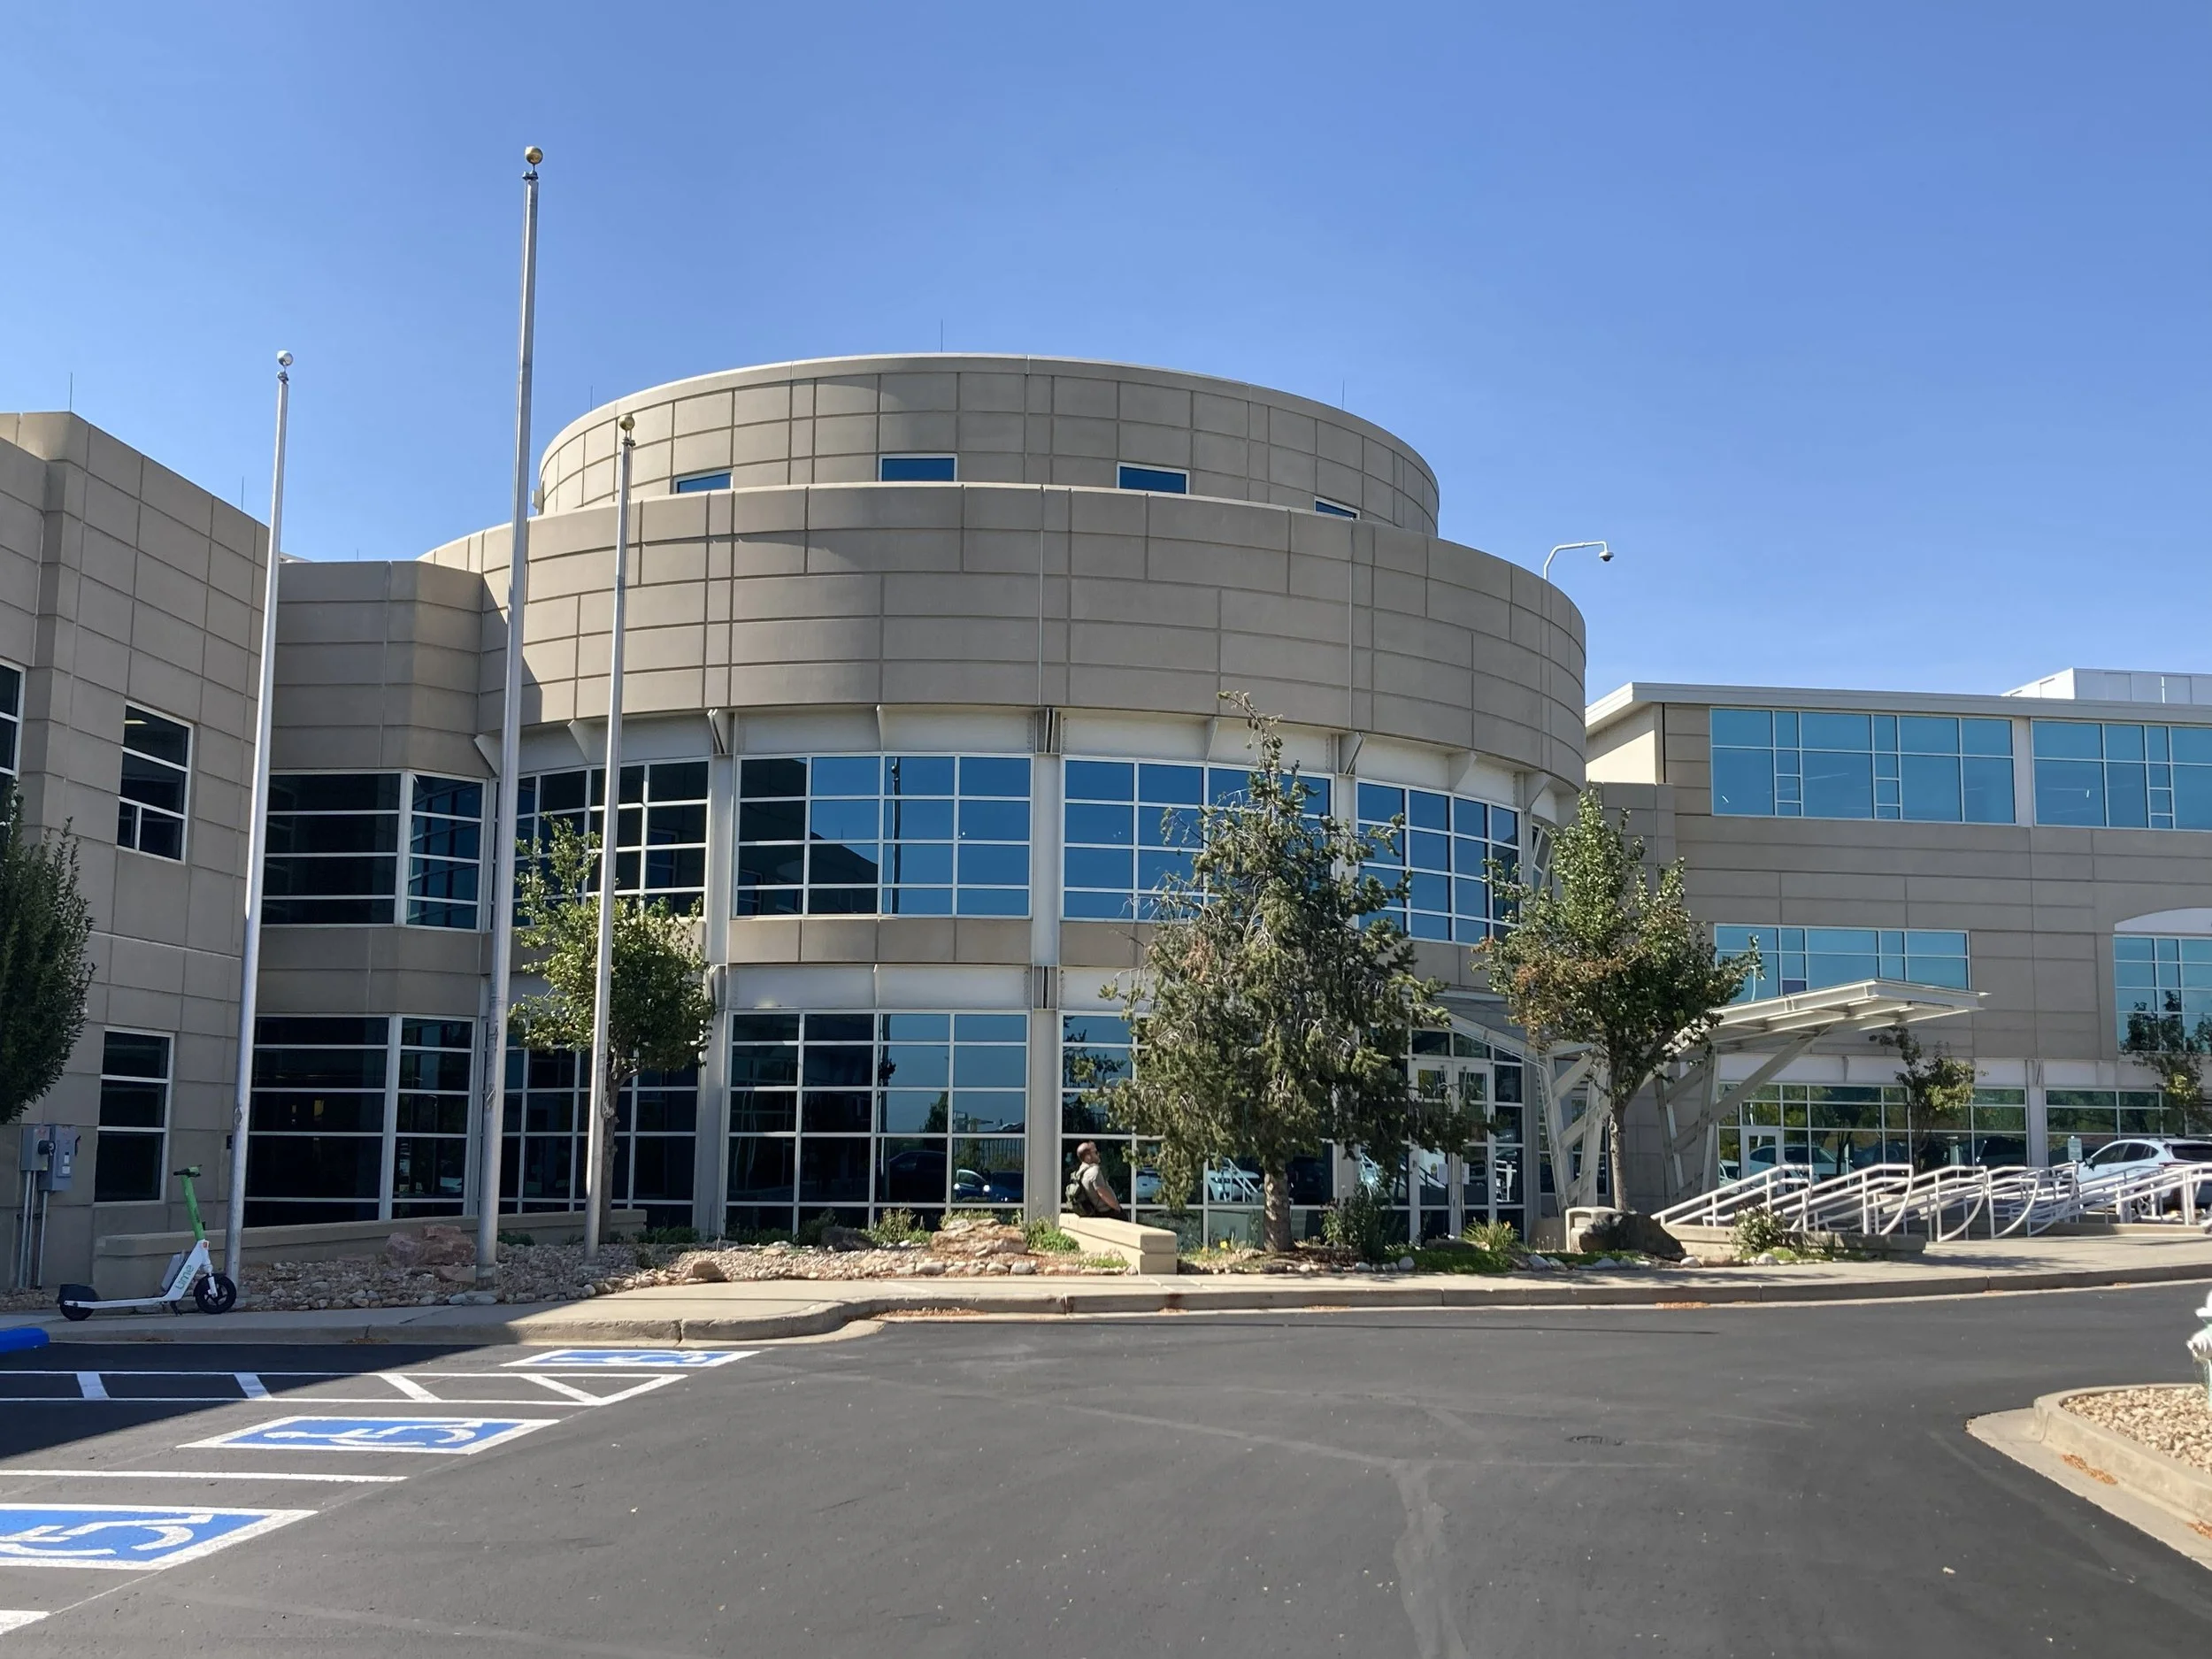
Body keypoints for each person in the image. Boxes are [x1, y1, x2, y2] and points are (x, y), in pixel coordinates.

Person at [1065, 1141, 1126, 1219]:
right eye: (1096, 1152)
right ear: (1088, 1157)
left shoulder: (1081, 1171)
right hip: (1107, 1212)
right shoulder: (1094, 1171)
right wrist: (1117, 1208)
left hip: (1097, 1213)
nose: (1098, 1154)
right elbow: (1102, 1192)